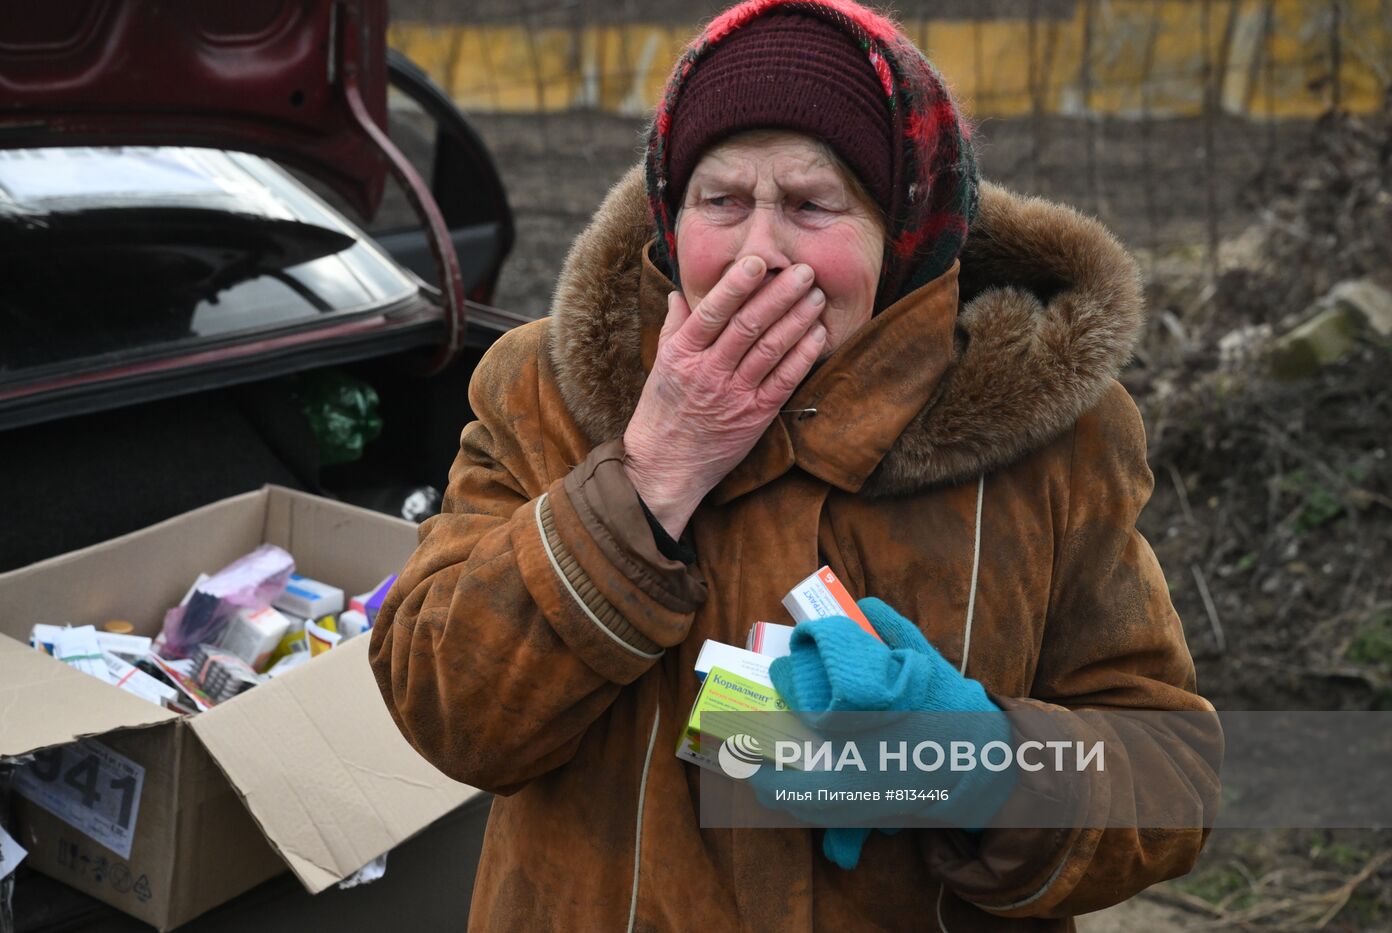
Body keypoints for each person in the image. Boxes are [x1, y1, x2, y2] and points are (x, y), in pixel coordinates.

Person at [368, 0, 1222, 928]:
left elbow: (1169, 778)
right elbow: (445, 708)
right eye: (721, 201)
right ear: (670, 211)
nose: (758, 252)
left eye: (813, 205)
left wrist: (976, 762)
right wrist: (652, 473)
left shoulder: (1054, 433)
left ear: (900, 231)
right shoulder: (547, 387)